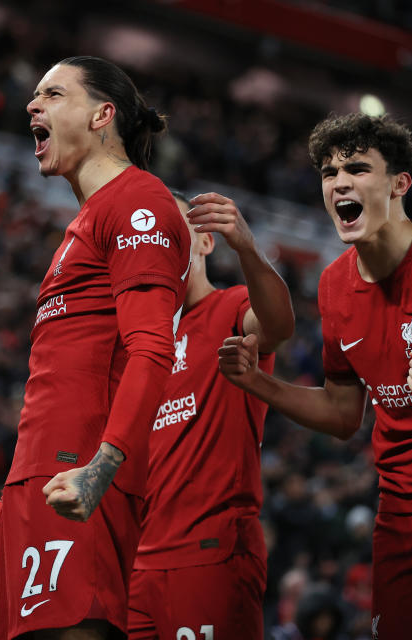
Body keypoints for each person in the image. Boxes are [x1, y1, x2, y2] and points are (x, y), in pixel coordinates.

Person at [219, 112, 412, 640]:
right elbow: (344, 415)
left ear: (399, 183)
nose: (340, 181)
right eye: (328, 172)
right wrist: (259, 383)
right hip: (400, 505)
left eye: (358, 168)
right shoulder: (333, 287)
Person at [0, 56, 191, 639]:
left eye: (54, 95)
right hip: (39, 486)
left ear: (101, 116)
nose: (33, 106)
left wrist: (101, 469)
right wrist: (6, 511)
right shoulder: (84, 223)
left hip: (83, 481)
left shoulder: (139, 203)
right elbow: (60, 384)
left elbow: (152, 351)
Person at [127, 191, 294, 639]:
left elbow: (277, 327)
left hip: (210, 553)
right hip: (135, 567)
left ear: (205, 243)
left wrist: (247, 247)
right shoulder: (136, 347)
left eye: (171, 228)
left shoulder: (232, 307)